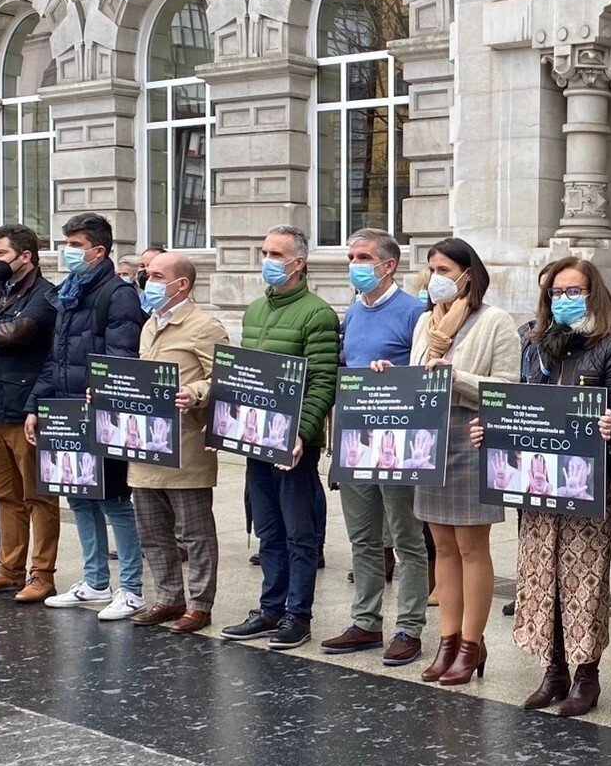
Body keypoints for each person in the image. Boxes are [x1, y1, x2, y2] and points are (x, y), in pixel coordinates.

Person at [374, 236, 521, 685]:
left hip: (471, 436)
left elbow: (507, 389)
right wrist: (391, 376)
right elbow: (419, 379)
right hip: (430, 437)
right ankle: (448, 641)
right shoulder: (426, 322)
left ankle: (472, 644)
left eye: (443, 270)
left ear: (467, 276)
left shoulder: (495, 321)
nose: (434, 278)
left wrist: (456, 377)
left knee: (471, 547)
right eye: (431, 270)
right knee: (441, 547)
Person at [491, 257, 611, 716]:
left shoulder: (610, 347)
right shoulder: (534, 345)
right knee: (540, 576)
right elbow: (518, 403)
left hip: (587, 482)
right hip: (537, 482)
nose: (564, 299)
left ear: (593, 295)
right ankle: (554, 672)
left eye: (574, 291)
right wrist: (491, 430)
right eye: (556, 292)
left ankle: (586, 676)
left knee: (583, 579)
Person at [221, 225, 340, 651]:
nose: (267, 260)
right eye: (264, 252)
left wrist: (302, 434)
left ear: (298, 262)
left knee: (299, 532)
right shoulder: (256, 310)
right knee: (268, 528)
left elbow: (322, 381)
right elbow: (244, 376)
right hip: (256, 438)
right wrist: (225, 422)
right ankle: (270, 607)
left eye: (275, 254)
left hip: (293, 443)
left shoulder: (317, 314)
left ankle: (298, 614)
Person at [27, 213, 148, 620]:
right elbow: (55, 358)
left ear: (98, 251)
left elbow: (120, 356)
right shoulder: (68, 292)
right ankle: (95, 581)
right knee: (78, 498)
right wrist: (36, 406)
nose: (67, 252)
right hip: (65, 409)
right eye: (66, 244)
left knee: (113, 501)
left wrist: (104, 397)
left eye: (75, 245)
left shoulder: (117, 294)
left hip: (99, 412)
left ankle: (131, 588)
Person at [323, 227, 425, 669]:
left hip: (397, 442)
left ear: (389, 265)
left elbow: (427, 377)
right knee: (362, 537)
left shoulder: (414, 312)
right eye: (351, 258)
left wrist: (395, 375)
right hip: (356, 440)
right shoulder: (352, 313)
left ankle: (409, 628)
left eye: (363, 258)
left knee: (406, 539)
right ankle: (365, 621)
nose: (354, 265)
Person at [127, 252, 229, 634]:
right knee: (152, 532)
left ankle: (200, 604)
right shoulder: (149, 324)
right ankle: (168, 597)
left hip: (185, 445)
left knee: (195, 533)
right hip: (145, 444)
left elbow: (224, 378)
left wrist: (195, 392)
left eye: (155, 275)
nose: (146, 281)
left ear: (181, 284)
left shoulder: (204, 326)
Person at [0, 223, 60, 602]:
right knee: (5, 495)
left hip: (23, 409)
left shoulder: (45, 294)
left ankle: (42, 573)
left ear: (25, 256)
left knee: (39, 496)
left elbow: (20, 333)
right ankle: (8, 568)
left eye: (1, 253)